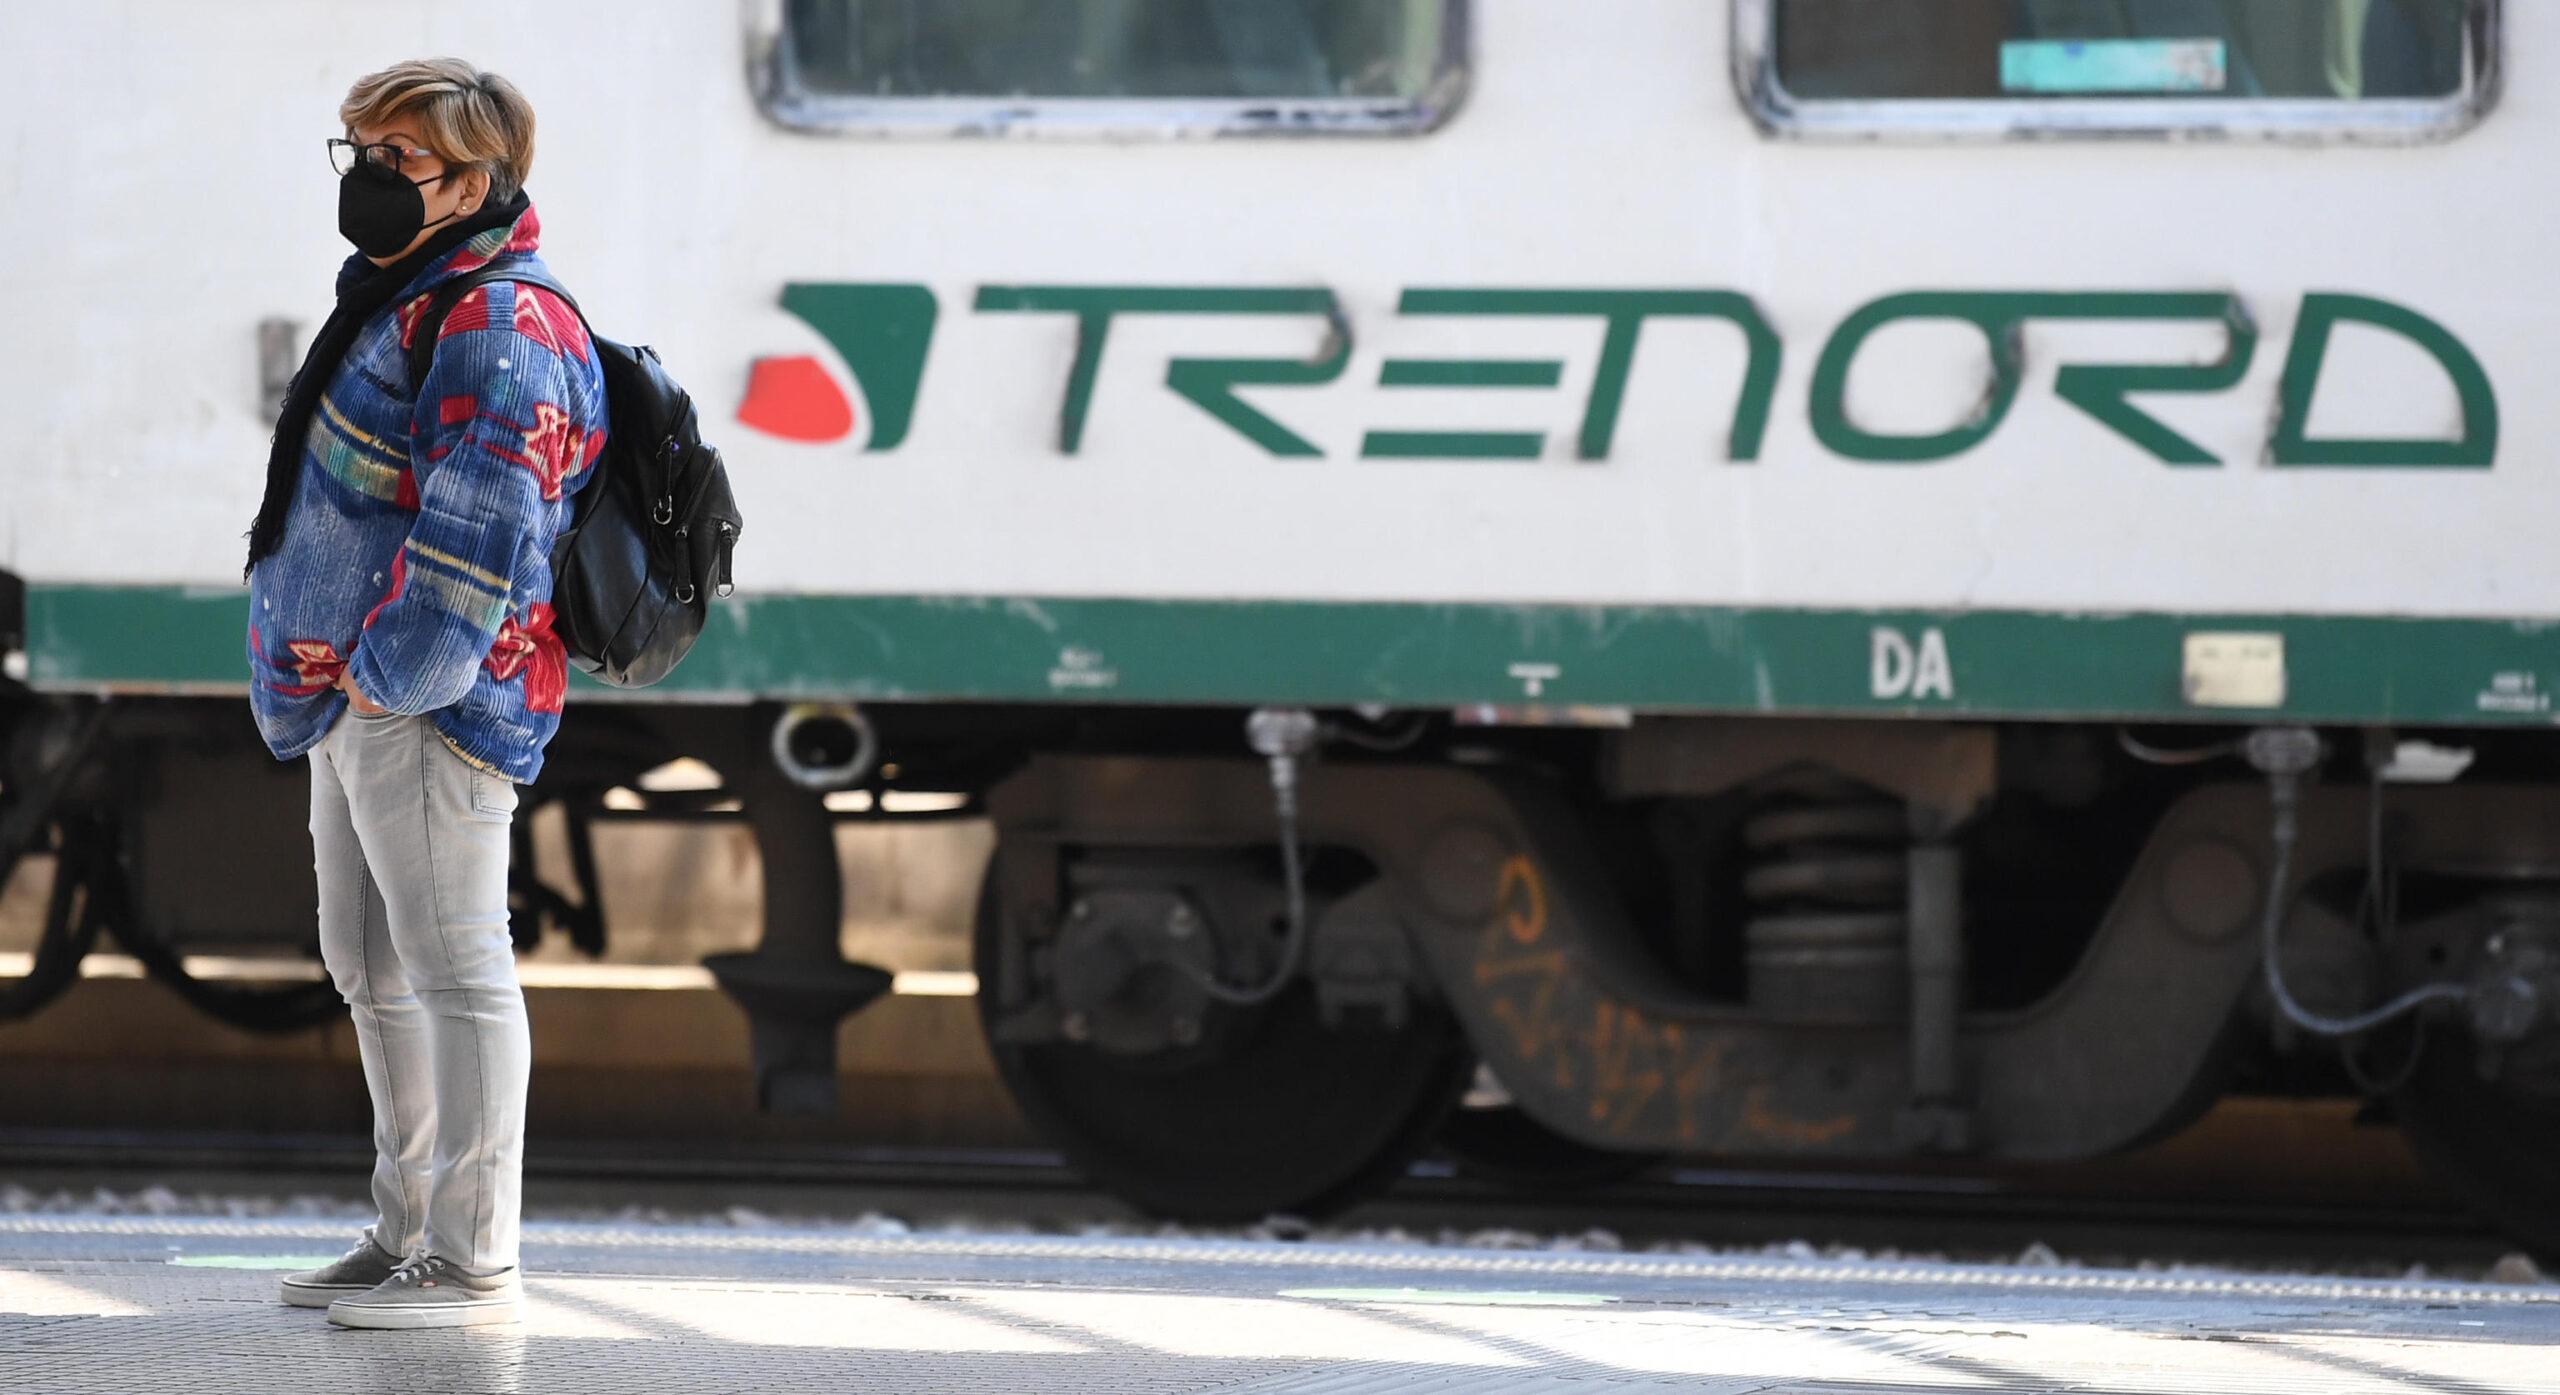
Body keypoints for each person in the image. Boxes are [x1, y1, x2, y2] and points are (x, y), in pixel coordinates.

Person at [241, 57, 607, 1330]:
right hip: (360, 699)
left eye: (399, 162)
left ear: (478, 179)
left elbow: (485, 528)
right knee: (372, 970)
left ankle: (472, 1263)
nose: (370, 183)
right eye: (358, 155)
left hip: (429, 704)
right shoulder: (407, 292)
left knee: (454, 973)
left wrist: (395, 680)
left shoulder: (498, 324)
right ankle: (404, 1236)